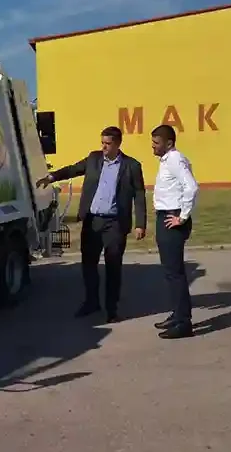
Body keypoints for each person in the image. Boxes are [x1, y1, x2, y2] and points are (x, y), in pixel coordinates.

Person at [36, 126, 146, 323]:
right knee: (88, 264)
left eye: (107, 144)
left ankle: (112, 310)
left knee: (113, 266)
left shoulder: (131, 166)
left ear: (118, 144)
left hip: (115, 223)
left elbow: (139, 194)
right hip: (92, 221)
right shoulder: (94, 159)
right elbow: (72, 169)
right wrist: (51, 177)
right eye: (102, 143)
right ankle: (91, 302)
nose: (103, 147)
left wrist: (140, 223)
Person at [150, 124, 199, 339]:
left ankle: (183, 323)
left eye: (156, 143)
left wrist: (182, 216)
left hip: (173, 219)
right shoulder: (168, 160)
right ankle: (178, 314)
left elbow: (191, 187)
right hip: (166, 216)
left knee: (174, 273)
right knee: (171, 272)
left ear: (169, 143)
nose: (153, 146)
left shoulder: (175, 159)